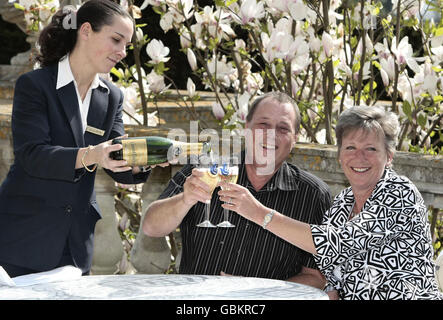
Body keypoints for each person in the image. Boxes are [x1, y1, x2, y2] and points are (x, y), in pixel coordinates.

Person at [219, 105, 443, 300]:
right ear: (340, 155)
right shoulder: (342, 204)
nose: (359, 157)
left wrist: (258, 212)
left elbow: (337, 244)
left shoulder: (399, 192)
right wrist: (254, 286)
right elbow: (324, 278)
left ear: (390, 155)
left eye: (371, 149)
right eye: (350, 148)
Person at [0, 0, 154, 277]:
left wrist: (145, 160)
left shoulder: (112, 97)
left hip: (76, 242)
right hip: (23, 235)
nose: (122, 52)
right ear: (85, 31)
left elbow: (116, 156)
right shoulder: (34, 85)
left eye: (127, 46)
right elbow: (32, 155)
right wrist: (93, 155)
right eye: (116, 40)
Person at [142, 92, 332, 288]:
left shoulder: (313, 194)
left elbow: (316, 277)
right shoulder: (204, 169)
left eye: (283, 128)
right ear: (247, 128)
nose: (271, 134)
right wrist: (185, 199)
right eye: (263, 124)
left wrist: (256, 289)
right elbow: (151, 227)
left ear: (295, 139)